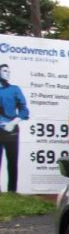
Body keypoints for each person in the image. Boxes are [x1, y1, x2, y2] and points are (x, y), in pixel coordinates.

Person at [0, 63, 29, 192]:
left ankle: (12, 191)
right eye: (5, 71)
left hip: (11, 130)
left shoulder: (15, 89)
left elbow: (24, 110)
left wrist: (13, 123)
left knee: (12, 162)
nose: (8, 73)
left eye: (8, 71)